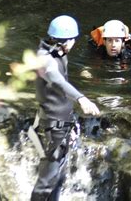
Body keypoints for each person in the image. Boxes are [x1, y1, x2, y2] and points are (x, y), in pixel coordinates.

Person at [30, 15, 100, 200]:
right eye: (73, 40)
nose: (73, 44)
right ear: (67, 42)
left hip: (62, 121)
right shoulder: (45, 60)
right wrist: (81, 98)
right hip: (54, 124)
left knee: (58, 177)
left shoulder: (57, 54)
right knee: (47, 180)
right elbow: (57, 81)